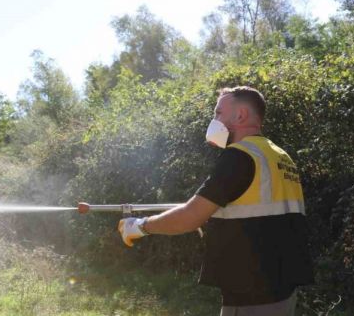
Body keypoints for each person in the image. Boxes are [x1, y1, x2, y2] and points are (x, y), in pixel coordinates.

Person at [118, 86, 313, 315]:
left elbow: (191, 217)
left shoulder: (239, 156)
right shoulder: (280, 156)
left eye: (218, 113)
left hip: (251, 295)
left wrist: (140, 227)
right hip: (283, 293)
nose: (214, 120)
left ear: (240, 115)